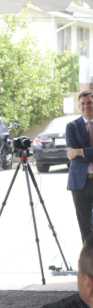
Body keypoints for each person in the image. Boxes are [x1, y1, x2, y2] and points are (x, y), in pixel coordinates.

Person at [66, 90, 93, 242]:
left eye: (89, 102)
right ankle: (89, 256)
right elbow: (71, 155)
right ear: (78, 106)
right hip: (79, 183)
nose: (86, 106)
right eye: (82, 103)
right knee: (85, 227)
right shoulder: (72, 126)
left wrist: (79, 151)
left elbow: (75, 153)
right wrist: (77, 153)